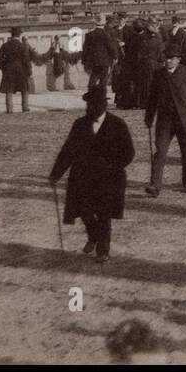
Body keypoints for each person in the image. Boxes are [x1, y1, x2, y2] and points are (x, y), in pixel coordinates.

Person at [48, 85, 134, 261]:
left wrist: (113, 166)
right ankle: (93, 235)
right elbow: (68, 150)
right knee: (84, 210)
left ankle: (103, 250)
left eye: (94, 105)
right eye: (88, 105)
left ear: (103, 106)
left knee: (104, 214)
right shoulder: (80, 124)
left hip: (109, 178)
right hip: (83, 177)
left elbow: (128, 152)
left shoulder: (117, 125)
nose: (90, 109)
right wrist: (56, 174)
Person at [143, 44, 186, 197]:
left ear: (178, 60)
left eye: (171, 58)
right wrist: (149, 117)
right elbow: (152, 98)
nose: (168, 61)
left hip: (184, 120)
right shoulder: (158, 74)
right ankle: (155, 185)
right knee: (160, 152)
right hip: (165, 121)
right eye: (166, 58)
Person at [81, 16, 120, 91]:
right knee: (103, 79)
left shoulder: (89, 35)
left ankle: (91, 92)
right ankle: (102, 94)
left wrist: (84, 60)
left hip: (94, 60)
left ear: (95, 24)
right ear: (104, 23)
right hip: (105, 60)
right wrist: (115, 56)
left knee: (94, 76)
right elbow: (111, 47)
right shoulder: (106, 35)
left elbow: (85, 49)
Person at [0, 26, 31, 114]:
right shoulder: (23, 46)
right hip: (21, 70)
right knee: (24, 88)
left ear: (11, 35)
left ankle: (9, 109)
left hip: (9, 70)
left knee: (9, 89)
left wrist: (3, 67)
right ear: (19, 35)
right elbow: (27, 60)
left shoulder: (5, 45)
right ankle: (25, 107)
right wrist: (29, 71)